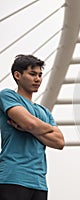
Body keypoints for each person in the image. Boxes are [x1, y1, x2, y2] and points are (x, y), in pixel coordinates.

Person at [0, 55, 65, 200]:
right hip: (12, 178)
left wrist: (30, 128)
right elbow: (30, 124)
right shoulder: (8, 96)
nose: (38, 79)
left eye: (40, 75)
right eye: (32, 74)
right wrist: (41, 128)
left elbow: (59, 142)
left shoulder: (44, 111)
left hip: (39, 183)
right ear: (17, 75)